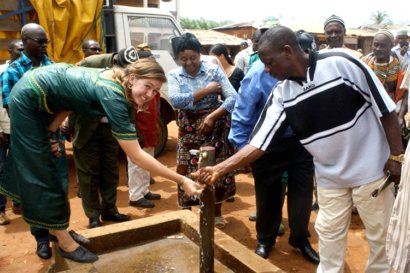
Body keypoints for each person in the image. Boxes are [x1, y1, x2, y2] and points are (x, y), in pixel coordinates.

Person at [196, 26, 403, 273]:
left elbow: (386, 109)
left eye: (270, 63)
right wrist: (219, 168)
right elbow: (259, 142)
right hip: (330, 177)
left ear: (287, 52)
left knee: (380, 236)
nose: (268, 71)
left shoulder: (342, 64)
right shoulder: (283, 93)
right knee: (328, 235)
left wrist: (396, 156)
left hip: (371, 170)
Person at [0, 57, 205, 263]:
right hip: (29, 99)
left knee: (54, 166)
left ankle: (56, 230)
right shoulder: (113, 94)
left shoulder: (118, 81)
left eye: (155, 91)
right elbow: (136, 155)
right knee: (42, 171)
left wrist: (51, 131)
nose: (150, 95)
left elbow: (69, 100)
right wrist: (181, 180)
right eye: (147, 86)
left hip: (43, 97)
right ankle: (63, 241)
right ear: (132, 78)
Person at [228, 30, 318, 263]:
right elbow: (243, 111)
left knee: (303, 192)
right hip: (266, 144)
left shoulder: (311, 70)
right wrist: (241, 149)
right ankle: (265, 240)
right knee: (267, 195)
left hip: (301, 142)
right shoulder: (259, 72)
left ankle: (300, 239)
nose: (269, 67)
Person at [168, 33, 237, 229]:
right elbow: (176, 100)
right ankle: (186, 215)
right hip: (187, 130)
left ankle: (215, 213)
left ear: (200, 55)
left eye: (193, 57)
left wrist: (212, 116)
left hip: (216, 128)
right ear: (178, 58)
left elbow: (233, 98)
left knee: (217, 169)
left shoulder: (214, 70)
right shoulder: (174, 74)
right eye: (183, 58)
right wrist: (206, 91)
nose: (189, 63)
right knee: (186, 168)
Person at [0, 23, 54, 260]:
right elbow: (13, 110)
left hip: (53, 138)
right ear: (25, 40)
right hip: (28, 141)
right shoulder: (12, 72)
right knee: (34, 191)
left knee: (57, 187)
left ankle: (59, 232)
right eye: (39, 41)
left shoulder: (51, 66)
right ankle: (41, 239)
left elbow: (62, 101)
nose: (44, 46)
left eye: (46, 42)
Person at [70, 46, 139, 229]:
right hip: (87, 127)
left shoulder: (132, 71)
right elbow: (71, 91)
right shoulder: (90, 64)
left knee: (110, 170)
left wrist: (130, 124)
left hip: (111, 128)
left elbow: (131, 96)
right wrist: (68, 122)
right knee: (89, 173)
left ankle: (109, 209)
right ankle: (93, 215)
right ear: (115, 62)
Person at [127, 47, 162, 208]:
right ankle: (135, 195)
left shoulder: (153, 89)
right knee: (136, 164)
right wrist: (136, 132)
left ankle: (144, 190)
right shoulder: (134, 91)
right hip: (138, 132)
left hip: (150, 130)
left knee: (148, 160)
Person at [363, 30, 408, 146]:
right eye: (376, 45)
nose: (378, 49)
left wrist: (400, 116)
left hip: (391, 113)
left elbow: (405, 92)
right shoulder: (364, 62)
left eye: (383, 46)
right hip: (368, 114)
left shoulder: (400, 64)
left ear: (391, 45)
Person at [0, 39, 24, 225]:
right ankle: (1, 210)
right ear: (10, 51)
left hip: (21, 128)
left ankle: (17, 202)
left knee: (20, 168)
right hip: (3, 128)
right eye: (19, 49)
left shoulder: (27, 69)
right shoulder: (2, 71)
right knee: (0, 169)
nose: (22, 52)